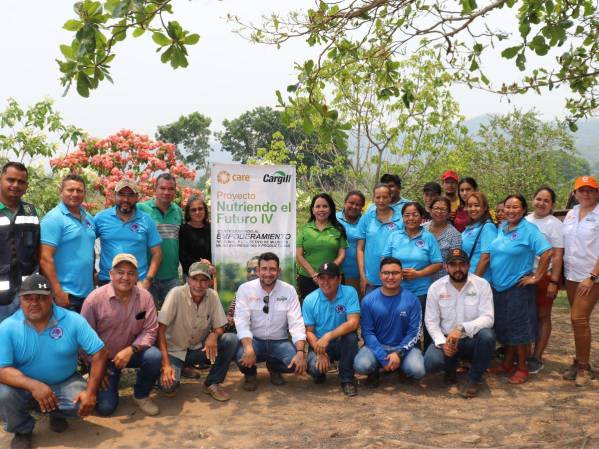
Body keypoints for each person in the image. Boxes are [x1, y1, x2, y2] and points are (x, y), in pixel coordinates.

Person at [0, 274, 107, 449]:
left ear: (51, 298)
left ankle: (57, 414)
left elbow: (100, 352)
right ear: (20, 300)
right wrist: (34, 385)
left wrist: (92, 391)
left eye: (41, 298)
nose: (34, 303)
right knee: (3, 393)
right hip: (25, 387)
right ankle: (22, 430)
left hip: (64, 381)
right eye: (28, 298)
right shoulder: (7, 327)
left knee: (84, 400)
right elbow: (1, 369)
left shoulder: (73, 320)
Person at [81, 254, 162, 416]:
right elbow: (83, 339)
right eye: (120, 272)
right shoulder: (94, 300)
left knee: (154, 356)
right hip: (103, 359)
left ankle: (141, 395)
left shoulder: (145, 298)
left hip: (132, 353)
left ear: (137, 276)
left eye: (131, 273)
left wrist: (131, 349)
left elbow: (150, 330)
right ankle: (91, 382)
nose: (125, 277)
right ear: (111, 274)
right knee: (105, 408)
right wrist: (96, 368)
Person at [488, 194, 552, 384]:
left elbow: (547, 252)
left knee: (520, 329)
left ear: (523, 210)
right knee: (505, 327)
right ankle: (507, 362)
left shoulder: (529, 230)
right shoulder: (502, 227)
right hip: (499, 287)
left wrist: (537, 277)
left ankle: (522, 367)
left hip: (518, 287)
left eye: (515, 207)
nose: (510, 210)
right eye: (507, 207)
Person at [157, 262, 239, 401]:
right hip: (174, 351)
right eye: (195, 279)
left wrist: (214, 335)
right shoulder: (175, 294)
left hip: (198, 349)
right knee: (168, 387)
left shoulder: (212, 295)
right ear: (187, 280)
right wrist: (165, 365)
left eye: (203, 280)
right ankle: (174, 369)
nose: (199, 285)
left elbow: (220, 326)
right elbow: (160, 330)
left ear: (209, 282)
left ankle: (212, 382)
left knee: (231, 340)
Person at [424, 248, 495, 398]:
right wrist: (443, 344)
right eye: (453, 264)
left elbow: (488, 318)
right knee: (430, 363)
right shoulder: (435, 288)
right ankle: (450, 369)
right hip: (447, 339)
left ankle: (474, 379)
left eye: (462, 264)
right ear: (446, 267)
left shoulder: (482, 285)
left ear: (468, 265)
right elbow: (431, 321)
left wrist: (462, 328)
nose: (458, 269)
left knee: (488, 336)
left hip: (471, 340)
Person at [234, 252, 307, 391]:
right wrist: (248, 347)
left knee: (296, 364)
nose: (268, 273)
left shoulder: (289, 290)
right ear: (258, 271)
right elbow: (241, 321)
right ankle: (250, 374)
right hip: (255, 341)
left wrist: (300, 351)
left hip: (280, 342)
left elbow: (296, 323)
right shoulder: (245, 289)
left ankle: (274, 369)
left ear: (279, 271)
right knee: (240, 355)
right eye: (264, 269)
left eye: (272, 269)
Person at [353, 257, 425, 387]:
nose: (390, 277)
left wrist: (399, 353)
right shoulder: (368, 301)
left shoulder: (412, 300)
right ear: (380, 275)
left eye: (395, 273)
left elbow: (415, 333)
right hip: (377, 346)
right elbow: (367, 333)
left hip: (403, 347)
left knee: (418, 370)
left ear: (402, 275)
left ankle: (402, 367)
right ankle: (375, 371)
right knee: (361, 365)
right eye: (386, 273)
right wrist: (382, 357)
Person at [382, 202, 442, 348]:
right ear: (402, 217)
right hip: (397, 291)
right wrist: (396, 273)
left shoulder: (428, 238)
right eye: (407, 215)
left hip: (421, 291)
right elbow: (384, 259)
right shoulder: (394, 236)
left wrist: (418, 273)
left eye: (415, 214)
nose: (411, 218)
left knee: (420, 324)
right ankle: (398, 354)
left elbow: (438, 263)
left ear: (421, 217)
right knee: (398, 323)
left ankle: (423, 355)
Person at [561, 176, 599, 386]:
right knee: (577, 321)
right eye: (581, 190)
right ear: (574, 193)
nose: (586, 194)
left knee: (579, 319)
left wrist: (592, 277)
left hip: (591, 277)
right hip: (571, 275)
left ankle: (583, 368)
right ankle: (579, 360)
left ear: (597, 192)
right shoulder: (571, 214)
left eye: (590, 190)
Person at [40, 174, 96, 313]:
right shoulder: (53, 219)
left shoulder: (88, 218)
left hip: (88, 294)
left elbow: (89, 248)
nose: (75, 194)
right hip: (66, 295)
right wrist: (57, 292)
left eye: (79, 190)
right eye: (70, 190)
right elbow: (45, 258)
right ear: (61, 191)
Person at [303, 262, 360, 396]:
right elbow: (309, 332)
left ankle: (347, 379)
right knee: (314, 369)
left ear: (339, 279)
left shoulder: (349, 292)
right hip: (319, 344)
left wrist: (328, 336)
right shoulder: (310, 300)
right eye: (322, 278)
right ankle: (321, 373)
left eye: (331, 278)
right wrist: (319, 351)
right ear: (317, 279)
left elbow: (353, 323)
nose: (326, 282)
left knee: (351, 337)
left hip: (341, 341)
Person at [525, 186, 564, 374]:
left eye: (546, 201)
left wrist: (554, 281)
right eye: (539, 199)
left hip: (544, 277)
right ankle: (521, 353)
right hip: (524, 275)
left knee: (543, 316)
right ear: (533, 199)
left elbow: (557, 255)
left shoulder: (554, 224)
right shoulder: (525, 220)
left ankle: (537, 356)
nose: (541, 203)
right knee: (525, 315)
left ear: (552, 205)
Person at [0, 162, 40, 323]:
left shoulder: (30, 212)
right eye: (11, 180)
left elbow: (37, 251)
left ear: (26, 186)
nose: (15, 185)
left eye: (21, 182)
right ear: (1, 179)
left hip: (27, 294)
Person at [138, 173, 183, 308]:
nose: (166, 192)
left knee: (172, 319)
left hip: (171, 277)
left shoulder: (178, 212)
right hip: (147, 277)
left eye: (170, 189)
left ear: (175, 191)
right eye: (162, 188)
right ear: (155, 189)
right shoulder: (141, 209)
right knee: (145, 317)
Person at [296, 193, 348, 300]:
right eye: (317, 206)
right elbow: (299, 255)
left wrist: (327, 272)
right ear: (312, 209)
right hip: (308, 278)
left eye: (325, 206)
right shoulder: (305, 229)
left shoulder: (339, 228)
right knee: (311, 309)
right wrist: (314, 275)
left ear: (330, 209)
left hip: (333, 277)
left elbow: (342, 255)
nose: (321, 209)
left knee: (335, 309)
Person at [357, 183, 403, 295]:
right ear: (373, 198)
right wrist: (363, 276)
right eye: (378, 197)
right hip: (371, 280)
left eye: (385, 197)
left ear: (390, 198)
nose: (381, 200)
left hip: (394, 278)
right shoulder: (366, 218)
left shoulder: (400, 219)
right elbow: (360, 249)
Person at [423, 196, 462, 281]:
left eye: (443, 209)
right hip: (420, 280)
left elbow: (455, 261)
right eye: (436, 208)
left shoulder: (454, 235)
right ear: (430, 210)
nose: (439, 212)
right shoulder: (421, 229)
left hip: (442, 281)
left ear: (448, 213)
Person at [462, 192, 496, 282]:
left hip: (479, 280)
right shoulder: (471, 226)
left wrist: (475, 282)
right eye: (469, 206)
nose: (473, 209)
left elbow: (485, 258)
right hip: (466, 277)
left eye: (477, 205)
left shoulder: (487, 227)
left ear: (485, 207)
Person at [336, 190, 366, 294]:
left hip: (357, 275)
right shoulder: (334, 219)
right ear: (345, 203)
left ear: (362, 207)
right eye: (351, 203)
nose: (354, 206)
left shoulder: (365, 221)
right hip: (335, 274)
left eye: (358, 204)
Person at [179, 196, 212, 277]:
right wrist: (201, 264)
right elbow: (183, 256)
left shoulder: (212, 228)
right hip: (191, 275)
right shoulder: (183, 230)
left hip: (210, 274)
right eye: (193, 210)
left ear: (205, 210)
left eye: (200, 209)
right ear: (188, 213)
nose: (197, 212)